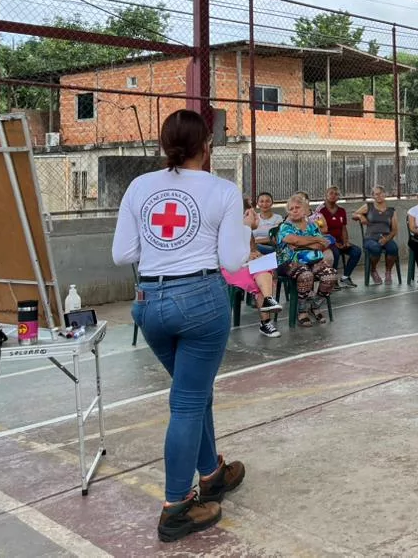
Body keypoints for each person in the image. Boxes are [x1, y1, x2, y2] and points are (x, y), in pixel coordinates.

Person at [112, 109, 246, 542]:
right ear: (206, 146)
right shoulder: (222, 190)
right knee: (188, 401)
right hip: (201, 302)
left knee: (193, 390)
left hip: (149, 303)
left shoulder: (139, 186)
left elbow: (123, 253)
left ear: (164, 145)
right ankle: (175, 508)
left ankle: (212, 475)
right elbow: (232, 261)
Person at [221, 201, 283, 338]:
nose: (256, 216)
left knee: (264, 270)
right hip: (230, 268)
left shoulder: (246, 229)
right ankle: (266, 321)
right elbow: (224, 254)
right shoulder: (226, 228)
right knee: (262, 280)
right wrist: (246, 256)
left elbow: (252, 249)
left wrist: (255, 254)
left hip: (247, 266)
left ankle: (267, 301)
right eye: (253, 213)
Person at [276, 193, 338, 326]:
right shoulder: (285, 226)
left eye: (297, 207)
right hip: (289, 262)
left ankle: (315, 305)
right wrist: (314, 239)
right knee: (306, 275)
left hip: (312, 260)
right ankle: (301, 310)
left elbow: (321, 245)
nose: (294, 211)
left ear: (305, 210)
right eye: (291, 209)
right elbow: (292, 240)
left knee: (330, 275)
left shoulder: (312, 225)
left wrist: (301, 243)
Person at [354, 185, 399, 285]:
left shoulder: (391, 211)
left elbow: (394, 230)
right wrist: (360, 216)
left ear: (385, 194)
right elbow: (354, 214)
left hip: (385, 237)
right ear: (373, 196)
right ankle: (373, 270)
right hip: (370, 238)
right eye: (376, 194)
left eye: (381, 193)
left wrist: (387, 239)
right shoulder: (368, 206)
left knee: (393, 249)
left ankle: (388, 271)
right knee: (375, 248)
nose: (379, 196)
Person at [318, 185, 362, 287]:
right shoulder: (320, 211)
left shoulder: (341, 210)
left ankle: (345, 277)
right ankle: (332, 280)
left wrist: (346, 241)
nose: (334, 196)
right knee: (335, 253)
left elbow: (343, 228)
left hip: (340, 241)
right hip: (327, 242)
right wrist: (334, 243)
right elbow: (320, 230)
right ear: (326, 195)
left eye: (336, 194)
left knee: (356, 251)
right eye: (331, 193)